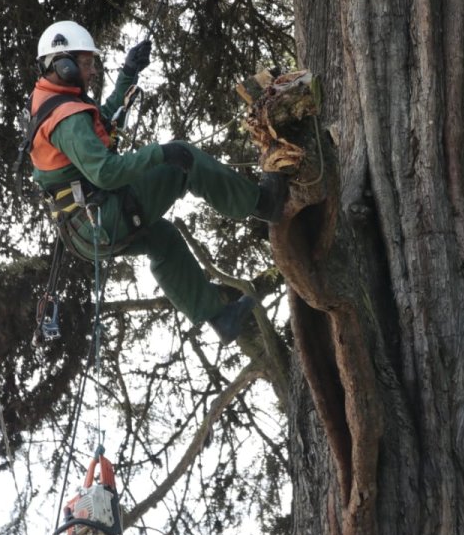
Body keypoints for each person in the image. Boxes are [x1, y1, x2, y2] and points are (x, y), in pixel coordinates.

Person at [24, 20, 286, 344]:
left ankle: (220, 318)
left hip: (88, 230)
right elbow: (105, 172)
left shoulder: (51, 102)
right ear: (64, 65)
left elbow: (103, 124)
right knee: (184, 161)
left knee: (163, 240)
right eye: (87, 63)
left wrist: (128, 73)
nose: (92, 72)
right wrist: (161, 154)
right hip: (100, 219)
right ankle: (263, 203)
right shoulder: (65, 118)